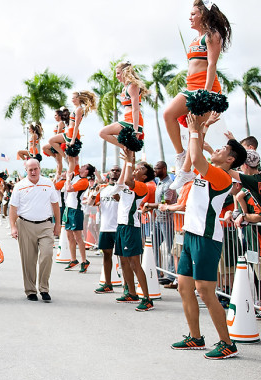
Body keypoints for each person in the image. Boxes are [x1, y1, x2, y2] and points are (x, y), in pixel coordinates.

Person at [170, 113, 247, 359]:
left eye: (223, 149)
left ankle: (227, 343)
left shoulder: (221, 176)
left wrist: (195, 130)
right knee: (184, 287)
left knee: (205, 291)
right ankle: (195, 337)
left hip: (207, 238)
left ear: (230, 159)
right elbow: (196, 155)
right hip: (192, 234)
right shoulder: (209, 171)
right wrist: (201, 128)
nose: (217, 149)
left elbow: (196, 156)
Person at [164, 0, 232, 189]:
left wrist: (206, 92)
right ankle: (181, 155)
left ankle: (185, 172)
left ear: (203, 15)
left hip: (206, 88)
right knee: (168, 114)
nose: (190, 17)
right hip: (190, 87)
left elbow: (212, 65)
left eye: (194, 14)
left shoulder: (212, 36)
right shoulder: (194, 39)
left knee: (197, 130)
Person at [9, 159, 60, 302]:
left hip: (45, 225)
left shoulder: (48, 183)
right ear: (26, 170)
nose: (33, 172)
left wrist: (57, 225)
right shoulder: (19, 186)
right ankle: (30, 290)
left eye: (35, 169)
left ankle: (44, 288)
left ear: (40, 168)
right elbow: (12, 209)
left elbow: (55, 205)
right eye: (30, 169)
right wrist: (13, 227)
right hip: (25, 225)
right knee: (28, 260)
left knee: (47, 255)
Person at [114, 152, 155, 311]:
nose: (136, 171)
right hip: (121, 225)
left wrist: (129, 162)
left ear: (144, 177)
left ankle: (147, 297)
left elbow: (128, 180)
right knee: (123, 261)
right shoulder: (128, 184)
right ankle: (131, 292)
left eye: (139, 170)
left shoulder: (141, 186)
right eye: (135, 168)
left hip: (131, 227)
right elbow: (119, 194)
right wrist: (127, 162)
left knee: (135, 263)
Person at [142, 161, 178, 284]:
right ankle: (156, 271)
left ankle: (171, 275)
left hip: (167, 220)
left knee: (169, 249)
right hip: (158, 219)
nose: (154, 171)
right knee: (153, 245)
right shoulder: (160, 182)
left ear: (164, 169)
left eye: (157, 168)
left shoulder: (169, 184)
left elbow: (166, 202)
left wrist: (150, 205)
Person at [99, 61, 148, 150]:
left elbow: (135, 109)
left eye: (118, 73)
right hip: (127, 120)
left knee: (103, 132)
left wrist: (135, 130)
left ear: (125, 72)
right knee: (130, 158)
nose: (116, 76)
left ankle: (125, 147)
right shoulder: (125, 88)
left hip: (132, 122)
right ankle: (127, 148)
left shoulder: (133, 86)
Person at [90, 165, 121, 293]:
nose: (114, 172)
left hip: (120, 227)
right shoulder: (103, 189)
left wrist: (119, 198)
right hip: (105, 227)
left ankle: (128, 287)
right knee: (106, 256)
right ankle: (108, 284)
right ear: (109, 174)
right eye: (113, 170)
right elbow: (91, 204)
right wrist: (94, 194)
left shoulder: (123, 188)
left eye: (118, 170)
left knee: (124, 259)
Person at [63, 164, 95, 273]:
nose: (81, 166)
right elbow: (72, 160)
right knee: (69, 235)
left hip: (76, 210)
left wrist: (67, 179)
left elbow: (69, 188)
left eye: (84, 166)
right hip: (68, 209)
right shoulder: (77, 175)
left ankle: (84, 260)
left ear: (86, 171)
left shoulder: (84, 181)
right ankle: (73, 259)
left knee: (78, 237)